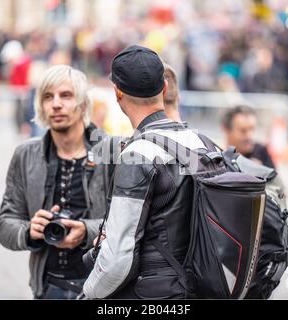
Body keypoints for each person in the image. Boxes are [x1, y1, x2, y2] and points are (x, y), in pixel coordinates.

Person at [83, 45, 212, 299]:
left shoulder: (137, 154)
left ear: (117, 93)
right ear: (164, 88)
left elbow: (118, 257)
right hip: (198, 288)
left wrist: (88, 293)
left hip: (154, 294)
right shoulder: (202, 142)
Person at [0, 65, 112, 299]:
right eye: (48, 97)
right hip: (48, 287)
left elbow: (131, 224)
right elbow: (4, 223)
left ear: (82, 104)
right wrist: (30, 230)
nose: (56, 104)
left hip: (103, 287)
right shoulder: (26, 154)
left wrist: (87, 232)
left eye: (66, 95)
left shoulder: (110, 154)